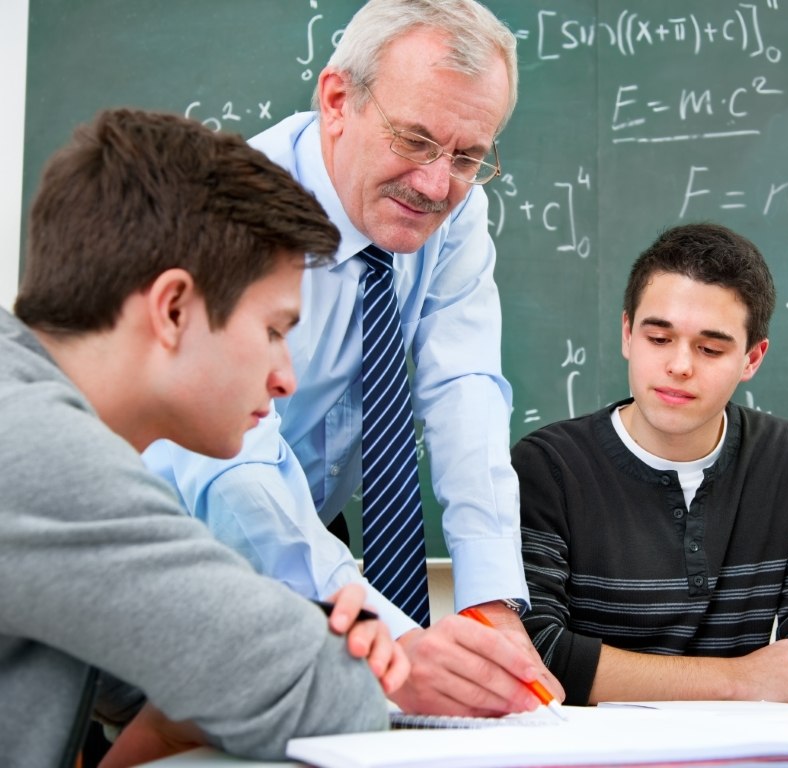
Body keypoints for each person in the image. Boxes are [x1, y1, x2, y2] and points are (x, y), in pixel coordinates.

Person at [142, 0, 561, 716]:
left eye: (466, 157)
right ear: (338, 101)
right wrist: (393, 643)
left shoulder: (454, 203)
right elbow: (238, 472)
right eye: (413, 139)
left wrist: (490, 601)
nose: (435, 185)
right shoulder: (231, 211)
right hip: (176, 536)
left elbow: (464, 385)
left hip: (309, 523)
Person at [0, 108, 407, 768]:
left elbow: (162, 693)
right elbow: (324, 698)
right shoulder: (41, 453)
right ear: (173, 309)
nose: (285, 378)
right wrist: (337, 648)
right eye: (275, 330)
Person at [513, 223, 788, 718]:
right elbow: (534, 650)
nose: (680, 365)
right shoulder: (549, 466)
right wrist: (733, 681)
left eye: (710, 349)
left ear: (752, 358)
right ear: (627, 334)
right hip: (587, 747)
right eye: (659, 337)